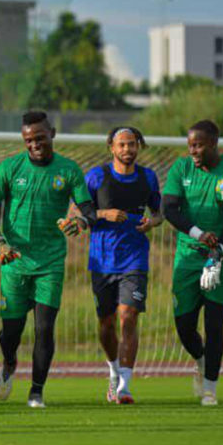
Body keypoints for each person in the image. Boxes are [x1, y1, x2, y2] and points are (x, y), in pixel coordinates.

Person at [0, 111, 96, 409]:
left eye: (40, 138)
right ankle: (8, 364)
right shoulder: (10, 167)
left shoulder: (68, 170)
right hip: (14, 261)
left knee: (44, 328)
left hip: (51, 263)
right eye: (29, 140)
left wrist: (80, 221)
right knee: (11, 333)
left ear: (52, 134)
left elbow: (88, 208)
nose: (34, 144)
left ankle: (36, 392)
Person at [162, 120, 223, 406]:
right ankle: (201, 360)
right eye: (190, 145)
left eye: (198, 145)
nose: (193, 151)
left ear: (213, 143)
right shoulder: (181, 168)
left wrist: (219, 252)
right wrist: (200, 235)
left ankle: (210, 388)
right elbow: (169, 210)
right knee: (184, 326)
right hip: (188, 255)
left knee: (214, 323)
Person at [85, 126, 163, 404]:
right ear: (111, 148)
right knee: (106, 325)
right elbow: (77, 211)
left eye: (132, 144)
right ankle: (113, 373)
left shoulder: (148, 177)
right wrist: (104, 213)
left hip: (135, 259)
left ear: (138, 146)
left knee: (128, 315)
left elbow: (158, 213)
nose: (127, 150)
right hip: (102, 260)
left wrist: (151, 223)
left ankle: (125, 387)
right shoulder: (96, 177)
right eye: (122, 145)